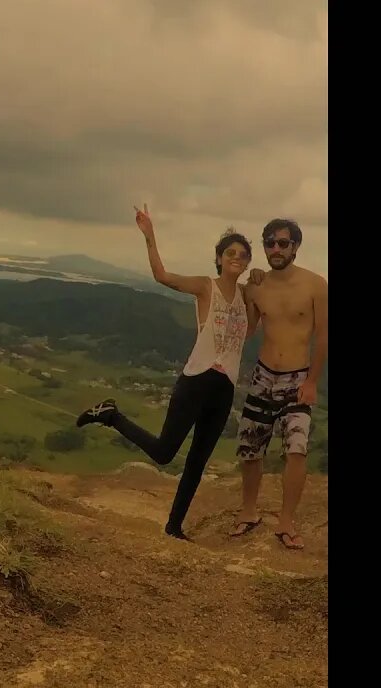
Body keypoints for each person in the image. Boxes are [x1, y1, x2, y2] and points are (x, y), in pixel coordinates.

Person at [76, 204, 258, 540]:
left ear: (247, 262)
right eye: (230, 252)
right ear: (219, 258)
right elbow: (162, 276)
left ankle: (174, 527)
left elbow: (249, 332)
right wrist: (149, 236)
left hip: (224, 389)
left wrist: (261, 287)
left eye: (243, 254)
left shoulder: (247, 297)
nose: (237, 258)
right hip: (197, 380)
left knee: (197, 462)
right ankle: (112, 415)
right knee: (164, 453)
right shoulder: (207, 287)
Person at [228, 218, 327, 550]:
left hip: (297, 376)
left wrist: (312, 381)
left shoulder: (316, 285)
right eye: (269, 243)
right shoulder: (258, 285)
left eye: (282, 243)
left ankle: (286, 522)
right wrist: (246, 292)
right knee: (250, 448)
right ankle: (248, 512)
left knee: (295, 450)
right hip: (263, 374)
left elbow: (323, 336)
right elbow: (250, 330)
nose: (275, 249)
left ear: (296, 246)